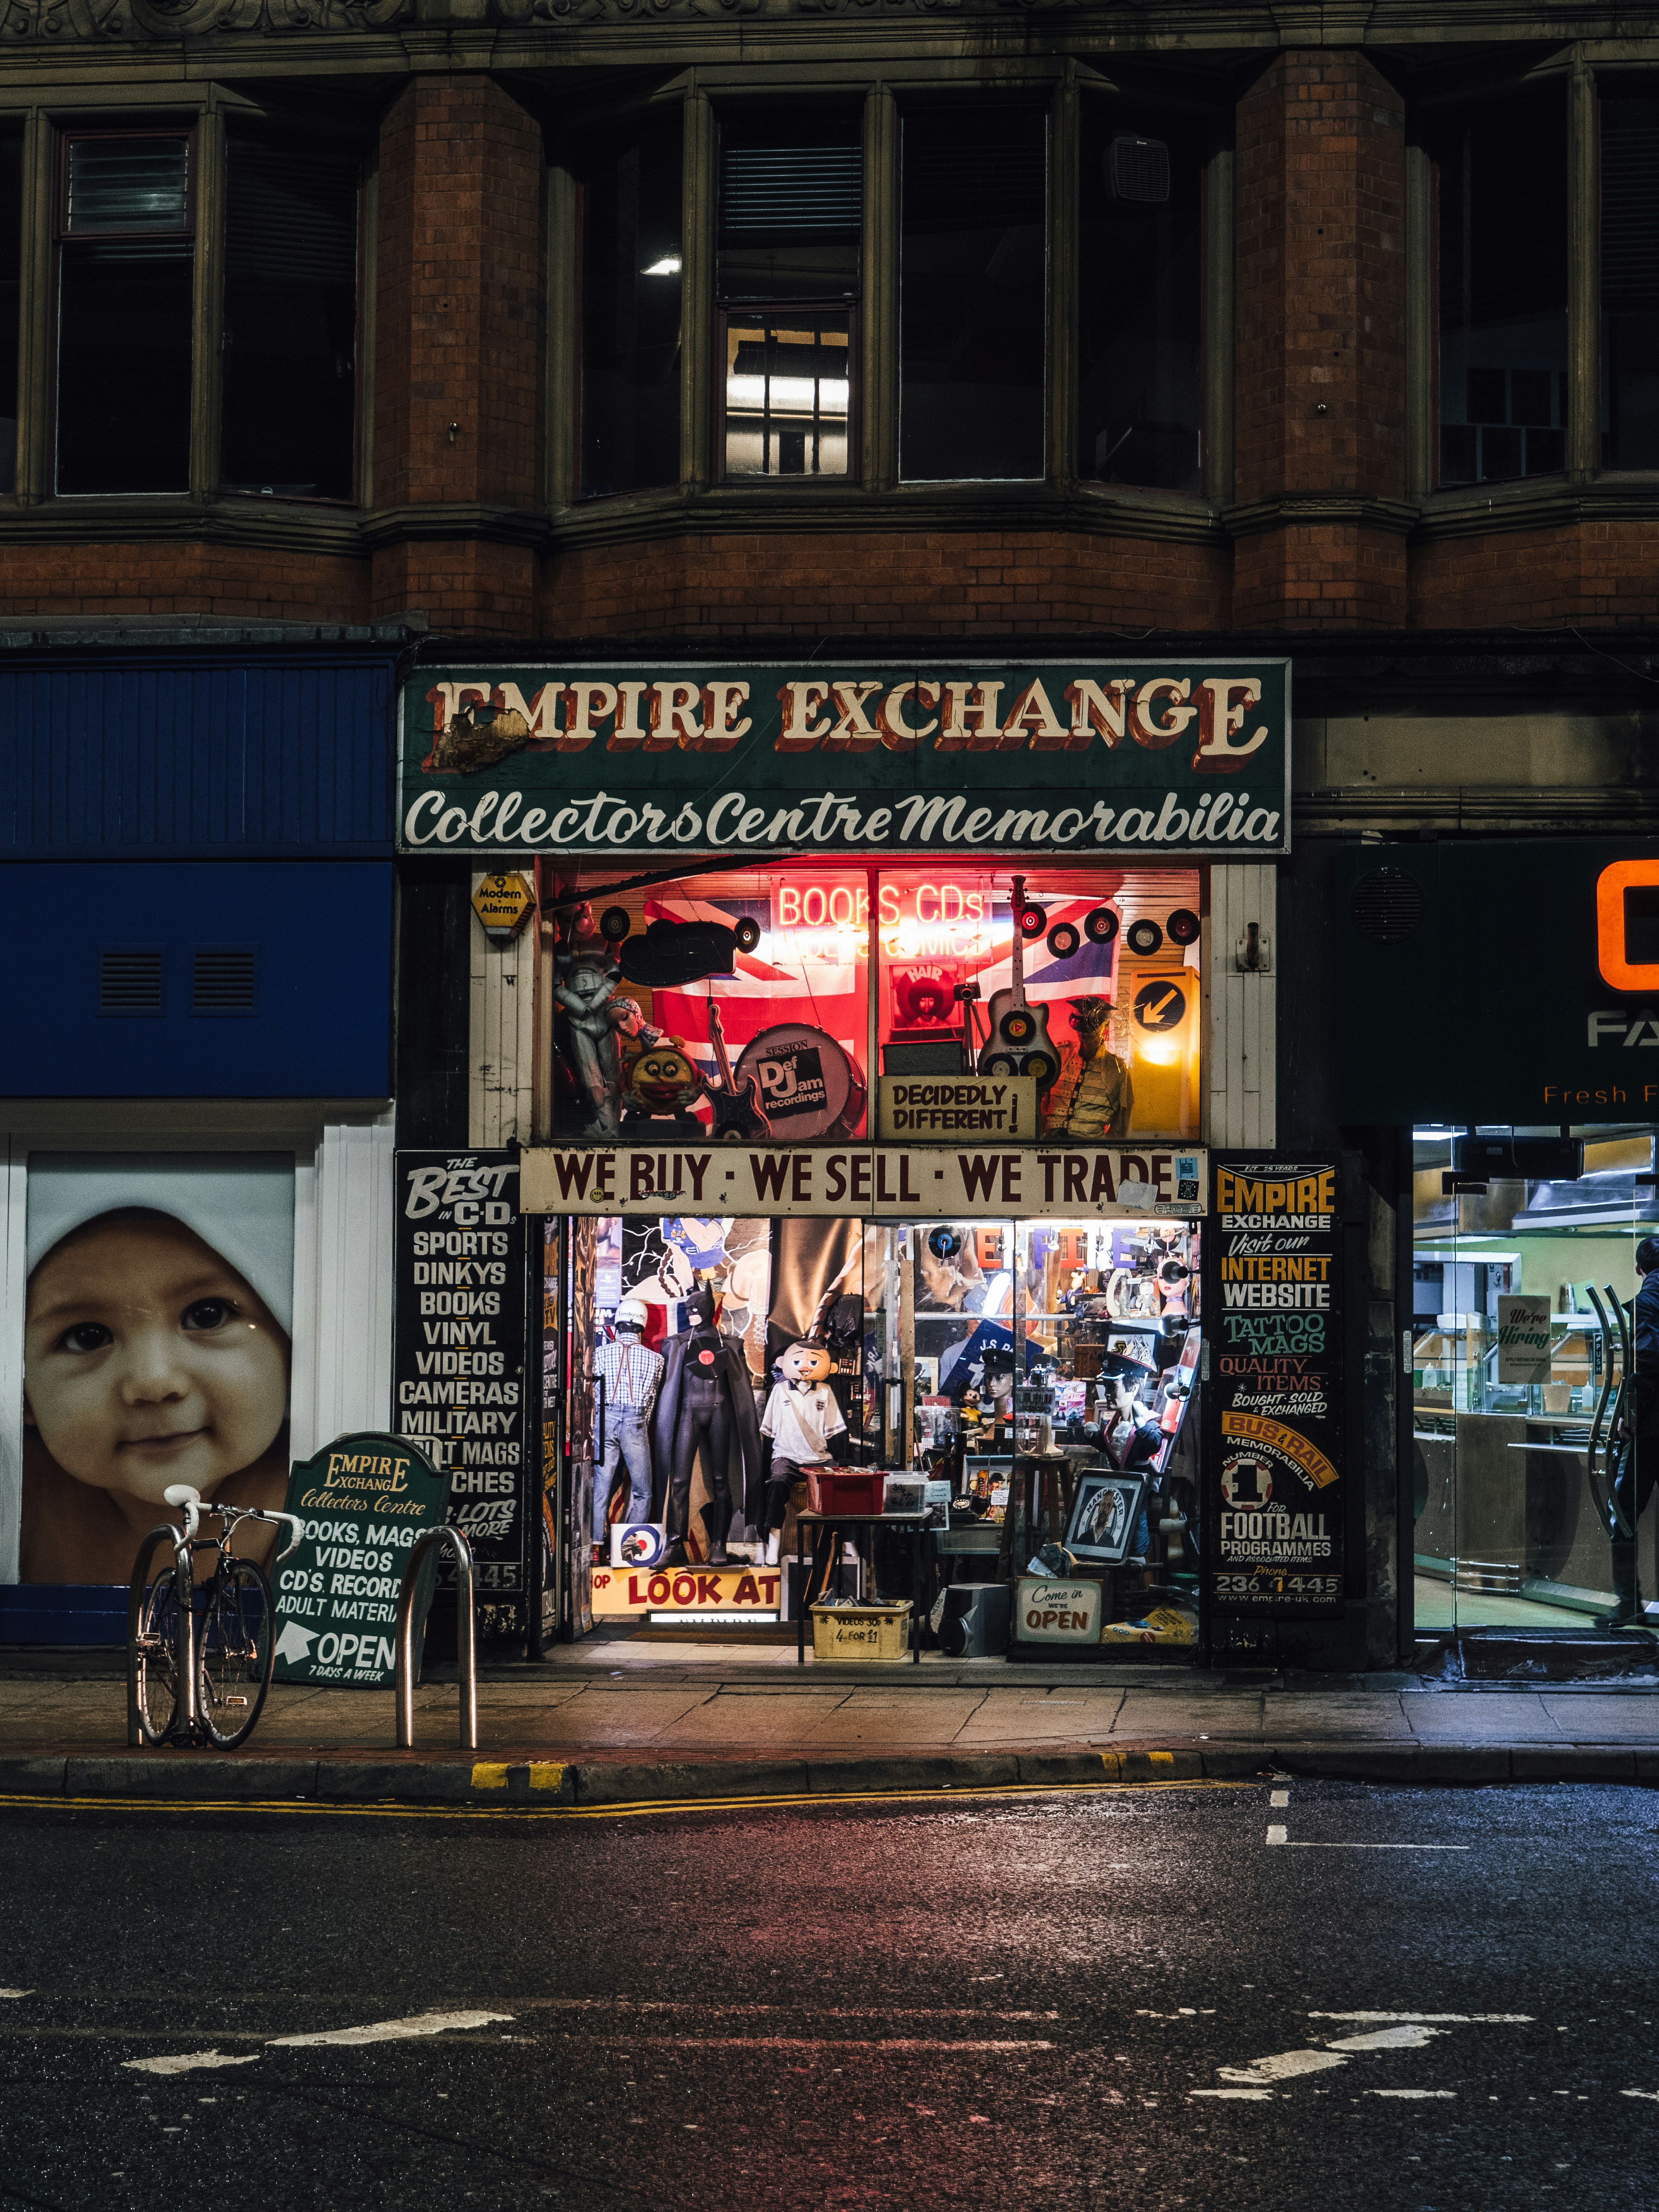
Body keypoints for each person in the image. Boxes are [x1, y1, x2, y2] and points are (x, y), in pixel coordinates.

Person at [21, 1165, 294, 1584]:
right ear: (20, 1395)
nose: (153, 1382)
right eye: (87, 1337)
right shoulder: (19, 1508)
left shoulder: (316, 1502)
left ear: (293, 1347)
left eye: (207, 1315)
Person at [1607, 1235, 1659, 1627]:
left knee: (1623, 1511)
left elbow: (1647, 1358)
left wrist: (1630, 1413)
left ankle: (1629, 1603)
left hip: (1652, 1429)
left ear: (1639, 1269)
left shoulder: (1647, 1303)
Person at [759, 1339, 847, 1567]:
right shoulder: (779, 1390)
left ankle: (848, 1541)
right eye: (797, 1361)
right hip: (786, 1457)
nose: (804, 1366)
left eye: (811, 1362)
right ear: (783, 1363)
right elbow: (768, 1430)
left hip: (819, 1458)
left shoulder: (826, 1391)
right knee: (777, 1482)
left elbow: (833, 1430)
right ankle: (774, 1541)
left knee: (843, 1486)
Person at [592, 1297, 664, 1558]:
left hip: (605, 1419)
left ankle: (595, 1548)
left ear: (618, 1324)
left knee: (601, 1487)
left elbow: (593, 1393)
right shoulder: (655, 1360)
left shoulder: (600, 1354)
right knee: (643, 1490)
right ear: (642, 1327)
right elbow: (652, 1401)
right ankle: (627, 1551)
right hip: (635, 1421)